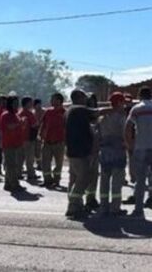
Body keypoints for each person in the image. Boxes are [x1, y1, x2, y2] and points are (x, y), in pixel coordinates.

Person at [124, 86, 152, 218]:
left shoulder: (137, 109)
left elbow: (128, 127)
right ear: (151, 96)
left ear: (140, 96)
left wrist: (130, 144)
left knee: (140, 180)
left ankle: (138, 209)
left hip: (141, 147)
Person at [65, 89, 98, 219]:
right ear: (78, 97)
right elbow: (97, 112)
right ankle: (73, 206)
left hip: (74, 151)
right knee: (84, 178)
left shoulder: (73, 110)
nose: (86, 99)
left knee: (74, 179)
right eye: (84, 96)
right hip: (79, 152)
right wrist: (115, 108)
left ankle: (77, 205)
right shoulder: (78, 109)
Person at [97, 92, 128, 217]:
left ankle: (104, 206)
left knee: (104, 180)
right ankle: (115, 207)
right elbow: (125, 133)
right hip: (118, 151)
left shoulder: (102, 117)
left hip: (104, 151)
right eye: (123, 102)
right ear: (119, 102)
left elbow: (98, 132)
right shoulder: (121, 117)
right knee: (117, 180)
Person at [0, 96, 26, 192]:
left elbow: (18, 127)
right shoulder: (6, 115)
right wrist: (20, 122)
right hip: (8, 144)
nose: (16, 105)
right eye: (14, 103)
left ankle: (7, 183)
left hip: (16, 143)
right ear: (9, 104)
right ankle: (15, 184)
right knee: (11, 165)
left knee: (11, 165)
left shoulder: (16, 115)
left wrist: (22, 123)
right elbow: (10, 126)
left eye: (17, 103)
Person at [40, 93, 66, 188]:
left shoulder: (65, 113)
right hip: (47, 142)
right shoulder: (48, 112)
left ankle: (56, 180)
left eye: (54, 99)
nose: (52, 101)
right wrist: (40, 135)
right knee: (45, 162)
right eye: (52, 99)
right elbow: (43, 125)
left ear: (60, 101)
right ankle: (47, 180)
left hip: (59, 142)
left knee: (58, 163)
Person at [19, 97, 39, 183]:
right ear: (27, 103)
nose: (32, 104)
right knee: (29, 158)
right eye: (30, 103)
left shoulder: (19, 113)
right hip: (28, 138)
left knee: (20, 158)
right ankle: (31, 174)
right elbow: (35, 125)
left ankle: (18, 173)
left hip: (20, 139)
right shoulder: (29, 114)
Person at [33, 98, 44, 171]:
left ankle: (40, 164)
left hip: (42, 132)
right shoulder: (33, 113)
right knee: (35, 150)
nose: (39, 106)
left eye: (40, 104)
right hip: (34, 133)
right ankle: (38, 163)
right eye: (37, 104)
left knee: (40, 150)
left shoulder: (44, 112)